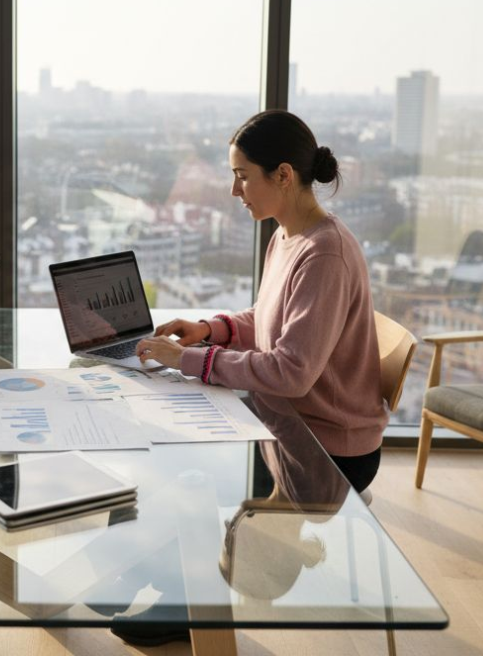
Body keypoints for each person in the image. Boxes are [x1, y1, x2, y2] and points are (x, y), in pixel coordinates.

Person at [135, 109, 387, 493]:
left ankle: (240, 550)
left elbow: (291, 372)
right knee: (174, 456)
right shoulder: (287, 236)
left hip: (325, 449)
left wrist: (185, 359)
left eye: (242, 176)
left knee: (181, 480)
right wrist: (210, 330)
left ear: (283, 175)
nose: (234, 191)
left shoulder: (324, 254)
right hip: (286, 420)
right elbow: (270, 317)